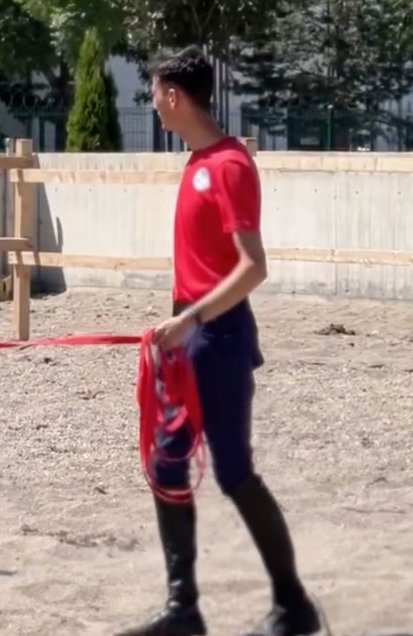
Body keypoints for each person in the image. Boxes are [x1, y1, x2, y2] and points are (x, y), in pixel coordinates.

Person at [116, 46, 324, 636]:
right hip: (191, 335)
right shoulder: (195, 163)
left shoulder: (228, 165)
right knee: (166, 461)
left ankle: (294, 605)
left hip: (220, 335)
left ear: (175, 96)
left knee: (234, 472)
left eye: (154, 92)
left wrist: (193, 320)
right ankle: (184, 607)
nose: (152, 104)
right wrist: (179, 324)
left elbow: (253, 266)